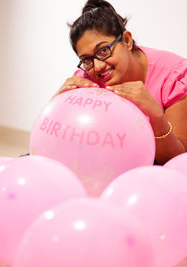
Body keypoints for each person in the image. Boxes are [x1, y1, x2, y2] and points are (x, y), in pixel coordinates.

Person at [55, 0, 187, 165]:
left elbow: (179, 161)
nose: (98, 66)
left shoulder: (174, 75)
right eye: (87, 60)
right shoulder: (86, 79)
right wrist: (58, 101)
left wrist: (155, 115)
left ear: (126, 40)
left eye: (103, 50)